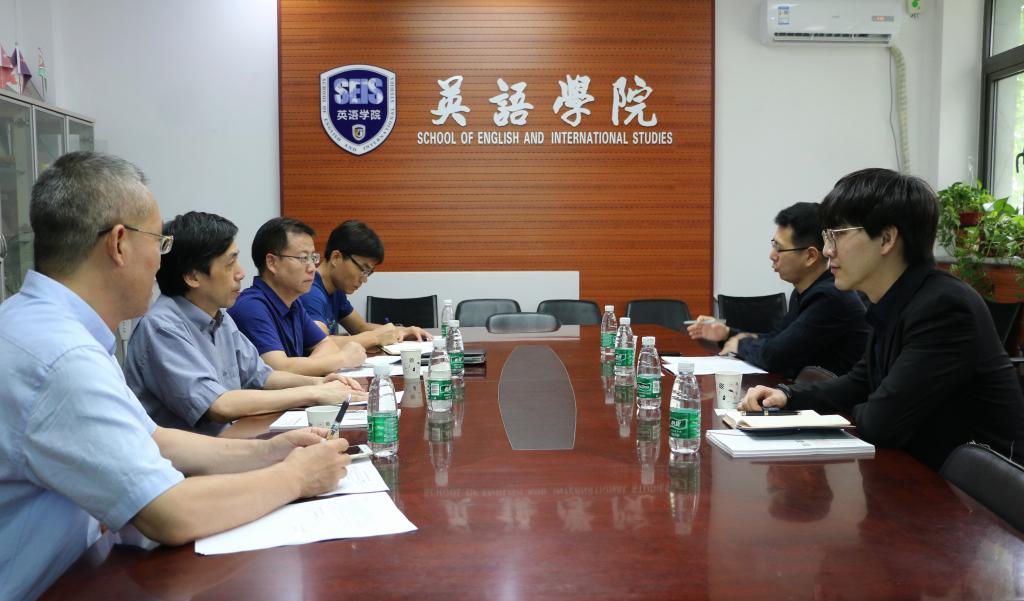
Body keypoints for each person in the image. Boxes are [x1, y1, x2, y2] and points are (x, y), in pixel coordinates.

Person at [0, 152, 351, 601]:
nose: (158, 262)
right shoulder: (63, 355)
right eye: (159, 242)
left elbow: (154, 440)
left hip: (79, 570)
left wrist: (271, 452)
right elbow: (169, 513)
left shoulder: (44, 326)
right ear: (120, 244)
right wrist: (296, 478)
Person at [740, 168, 1024, 470]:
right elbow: (860, 381)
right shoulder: (892, 299)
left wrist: (865, 405)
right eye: (826, 237)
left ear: (886, 239)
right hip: (923, 474)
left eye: (837, 235)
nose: (827, 250)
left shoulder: (944, 307)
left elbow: (881, 423)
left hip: (976, 491)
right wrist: (787, 395)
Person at [125, 211, 368, 436]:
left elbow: (263, 377)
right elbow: (219, 405)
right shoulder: (162, 328)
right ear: (192, 276)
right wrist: (313, 393)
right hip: (190, 463)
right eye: (230, 264)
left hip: (233, 441)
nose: (241, 273)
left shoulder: (219, 318)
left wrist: (321, 382)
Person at [687, 202, 869, 378]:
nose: (772, 255)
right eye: (773, 244)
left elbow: (776, 356)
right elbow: (778, 338)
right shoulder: (804, 291)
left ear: (810, 256)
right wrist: (727, 334)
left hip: (842, 398)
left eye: (779, 248)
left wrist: (740, 345)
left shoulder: (830, 296)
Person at [227, 217, 367, 376]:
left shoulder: (293, 303)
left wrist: (305, 366)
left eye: (313, 258)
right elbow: (278, 370)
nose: (312, 268)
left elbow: (326, 345)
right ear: (272, 263)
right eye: (303, 258)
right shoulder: (250, 307)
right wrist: (343, 359)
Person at [298, 220, 431, 349]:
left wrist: (403, 331)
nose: (364, 279)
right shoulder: (311, 293)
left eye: (368, 272)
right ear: (336, 258)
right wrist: (375, 337)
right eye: (363, 269)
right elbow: (320, 343)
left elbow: (360, 327)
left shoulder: (336, 290)